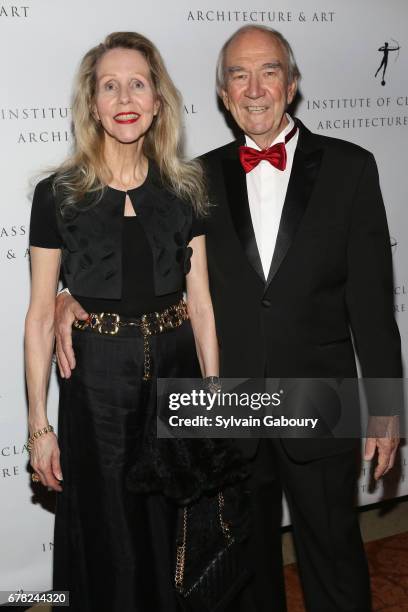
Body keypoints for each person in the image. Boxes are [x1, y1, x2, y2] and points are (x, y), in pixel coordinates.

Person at [54, 25, 402, 612]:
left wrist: (388, 408)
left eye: (268, 72)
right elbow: (131, 252)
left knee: (333, 556)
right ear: (223, 93)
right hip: (227, 399)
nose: (255, 88)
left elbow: (373, 302)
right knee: (242, 566)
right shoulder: (193, 179)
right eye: (238, 75)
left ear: (291, 85)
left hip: (317, 393)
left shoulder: (351, 168)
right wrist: (67, 291)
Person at [25, 31, 245, 612]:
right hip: (95, 382)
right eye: (110, 85)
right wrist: (37, 424)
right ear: (92, 103)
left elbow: (201, 305)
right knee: (109, 530)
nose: (125, 96)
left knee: (173, 526)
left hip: (176, 373)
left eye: (138, 83)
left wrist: (214, 395)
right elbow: (40, 312)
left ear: (157, 101)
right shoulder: (58, 195)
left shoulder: (185, 189)